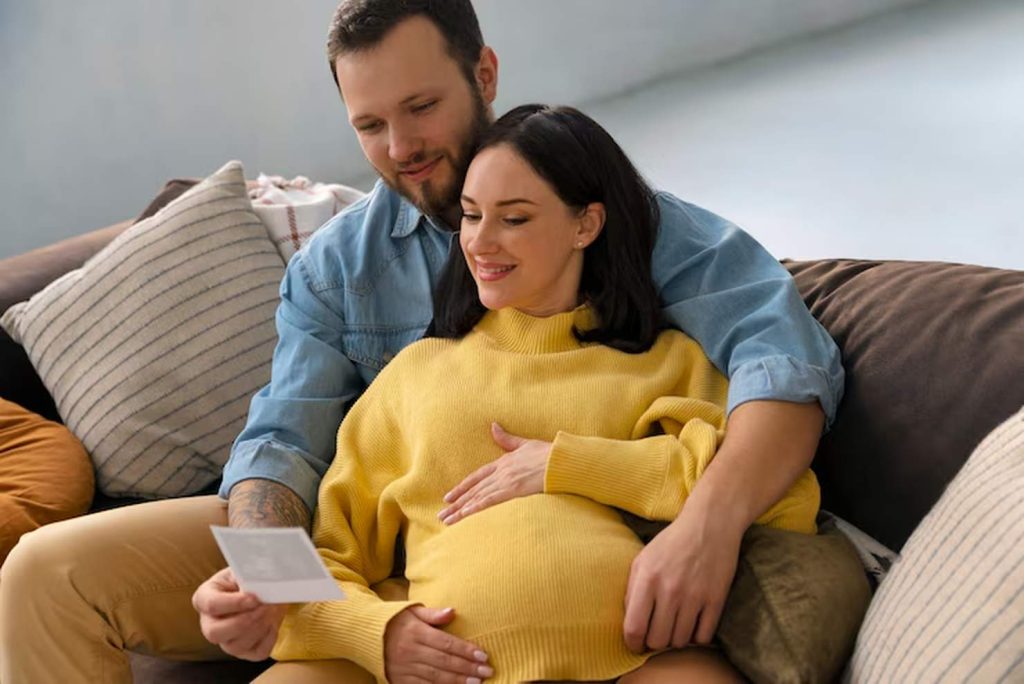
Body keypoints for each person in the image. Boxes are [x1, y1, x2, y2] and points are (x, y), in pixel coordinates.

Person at [0, 1, 842, 682]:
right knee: (45, 572)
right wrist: (273, 576)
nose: (400, 149)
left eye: (421, 107)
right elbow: (283, 447)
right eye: (369, 125)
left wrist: (708, 526)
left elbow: (786, 365)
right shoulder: (337, 270)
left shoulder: (628, 220)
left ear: (484, 74)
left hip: (542, 568)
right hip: (363, 547)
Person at [259, 103, 821, 683]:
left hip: (640, 665)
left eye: (515, 219)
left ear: (586, 225)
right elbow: (327, 555)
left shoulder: (667, 363)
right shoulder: (412, 376)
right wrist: (376, 631)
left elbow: (783, 495)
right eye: (473, 217)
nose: (481, 242)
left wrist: (571, 464)